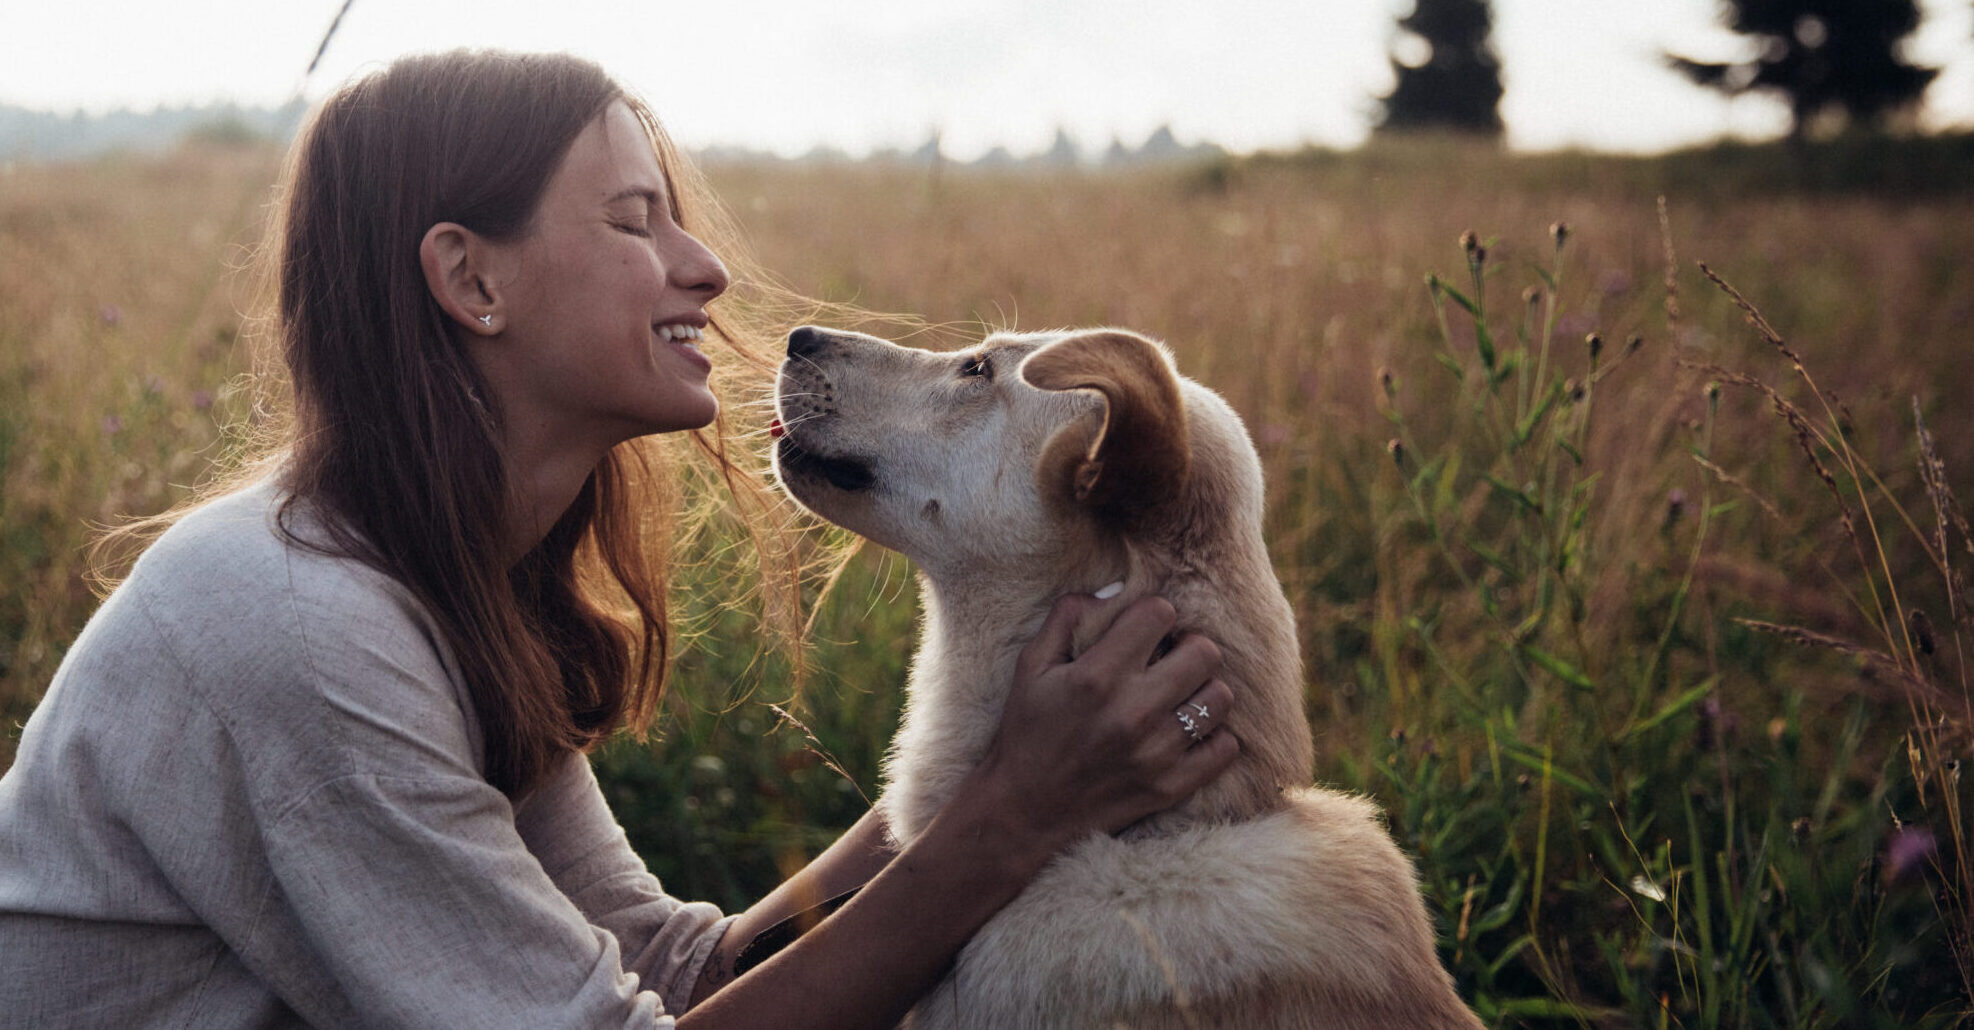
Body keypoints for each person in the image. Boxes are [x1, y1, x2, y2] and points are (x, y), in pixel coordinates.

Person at [0, 49, 1237, 1028]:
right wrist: (1010, 820)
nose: (704, 268)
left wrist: (987, 777)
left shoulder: (457, 586)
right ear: (471, 282)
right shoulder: (296, 626)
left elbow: (674, 973)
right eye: (637, 221)